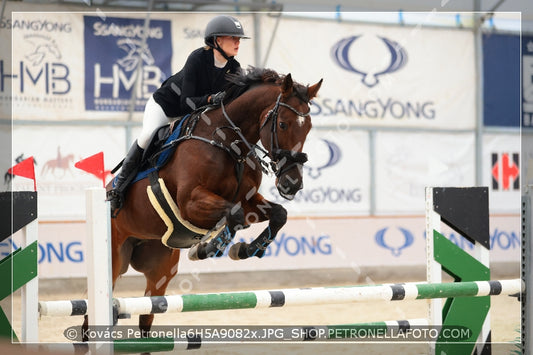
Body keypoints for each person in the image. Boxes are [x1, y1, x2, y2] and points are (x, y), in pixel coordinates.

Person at [107, 15, 249, 216]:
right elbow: (187, 102)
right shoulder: (198, 59)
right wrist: (210, 100)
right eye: (233, 37)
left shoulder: (235, 68)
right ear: (217, 40)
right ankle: (118, 188)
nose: (238, 42)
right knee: (148, 135)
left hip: (194, 115)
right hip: (166, 107)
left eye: (239, 39)